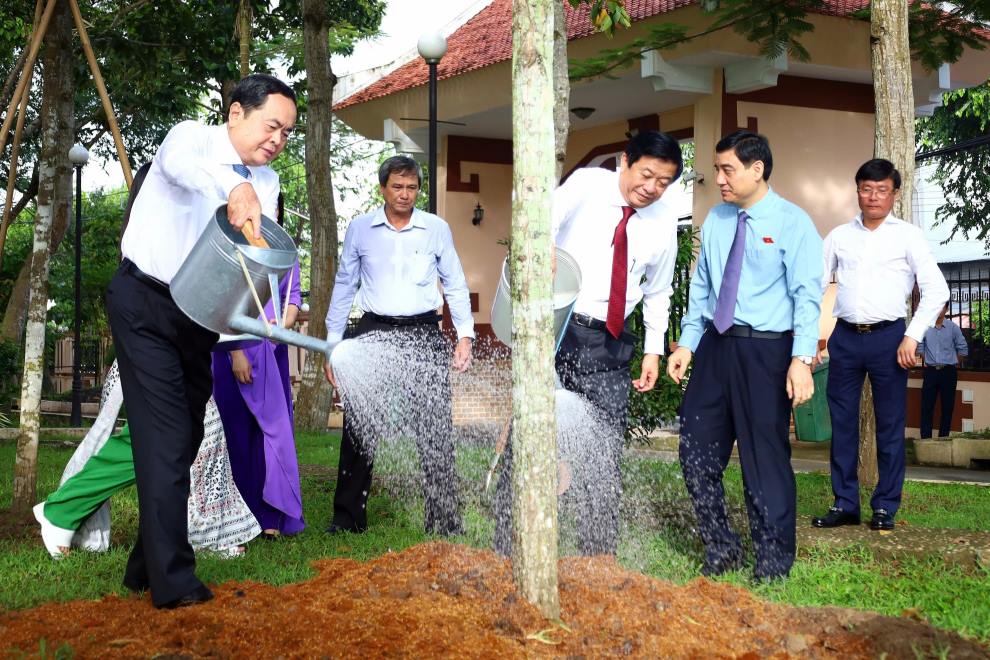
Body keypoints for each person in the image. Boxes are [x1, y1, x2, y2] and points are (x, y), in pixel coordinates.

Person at [106, 73, 296, 608]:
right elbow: (176, 167)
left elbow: (249, 269)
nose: (278, 140)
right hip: (144, 302)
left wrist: (251, 328)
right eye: (272, 125)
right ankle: (175, 583)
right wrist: (233, 187)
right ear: (236, 112)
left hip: (198, 320)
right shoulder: (189, 138)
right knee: (167, 436)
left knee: (185, 438)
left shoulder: (269, 184)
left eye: (286, 133)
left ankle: (144, 566)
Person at [493, 130, 684, 557]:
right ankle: (507, 546)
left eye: (664, 181)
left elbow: (659, 289)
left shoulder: (665, 218)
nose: (652, 188)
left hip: (609, 342)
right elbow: (538, 225)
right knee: (530, 437)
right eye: (647, 174)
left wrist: (653, 350)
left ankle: (598, 559)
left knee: (603, 452)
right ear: (625, 160)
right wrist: (543, 256)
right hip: (557, 331)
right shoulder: (586, 184)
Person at [667, 131, 822, 582]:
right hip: (715, 349)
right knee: (695, 451)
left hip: (766, 351)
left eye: (727, 169)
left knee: (764, 458)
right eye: (717, 169)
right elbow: (702, 289)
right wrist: (686, 344)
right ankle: (722, 547)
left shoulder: (794, 223)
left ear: (757, 169)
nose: (718, 179)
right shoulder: (716, 219)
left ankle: (772, 562)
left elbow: (806, 297)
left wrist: (801, 359)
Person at [324, 155, 474, 536]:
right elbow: (344, 287)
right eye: (397, 187)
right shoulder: (360, 229)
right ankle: (347, 518)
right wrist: (332, 343)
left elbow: (454, 283)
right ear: (382, 189)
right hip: (372, 332)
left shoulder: (436, 229)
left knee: (434, 426)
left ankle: (443, 519)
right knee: (359, 426)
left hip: (424, 334)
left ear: (418, 190)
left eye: (412, 188)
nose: (405, 194)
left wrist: (466, 336)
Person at [812, 158, 949, 532]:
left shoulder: (908, 236)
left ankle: (885, 506)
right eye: (866, 189)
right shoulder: (839, 237)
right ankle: (845, 503)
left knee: (890, 426)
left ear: (895, 194)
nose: (873, 196)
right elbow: (814, 287)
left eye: (882, 190)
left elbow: (938, 290)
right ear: (857, 191)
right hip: (846, 339)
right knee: (841, 424)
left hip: (891, 339)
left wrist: (913, 334)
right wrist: (808, 337)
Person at [33, 362, 261, 558]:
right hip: (156, 349)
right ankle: (61, 510)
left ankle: (204, 535)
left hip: (174, 352)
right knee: (152, 442)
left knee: (193, 435)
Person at [212, 256, 304, 538]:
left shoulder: (285, 250)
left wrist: (283, 325)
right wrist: (236, 352)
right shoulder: (228, 248)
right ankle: (239, 517)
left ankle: (270, 517)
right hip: (231, 351)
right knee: (236, 434)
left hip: (271, 350)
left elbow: (294, 296)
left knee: (272, 434)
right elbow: (218, 300)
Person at [918, 303, 968, 439]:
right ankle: (925, 440)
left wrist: (954, 361)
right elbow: (920, 345)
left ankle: (943, 439)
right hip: (931, 372)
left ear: (946, 309)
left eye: (942, 307)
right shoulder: (926, 327)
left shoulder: (953, 328)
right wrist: (926, 358)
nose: (939, 310)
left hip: (948, 372)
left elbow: (963, 348)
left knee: (947, 407)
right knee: (926, 407)